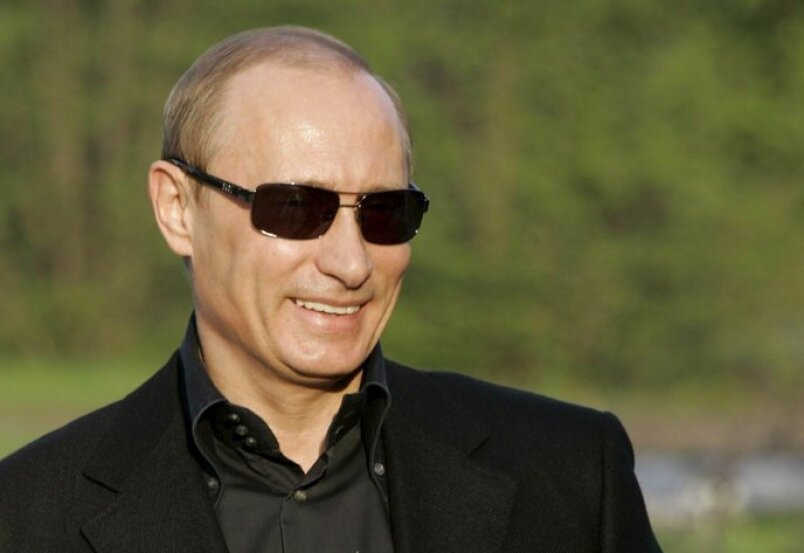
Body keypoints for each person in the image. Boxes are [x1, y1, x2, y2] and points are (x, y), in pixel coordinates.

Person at [0, 26, 662, 552]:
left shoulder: (572, 473)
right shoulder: (26, 517)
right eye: (296, 208)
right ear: (177, 209)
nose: (351, 262)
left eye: (384, 213)